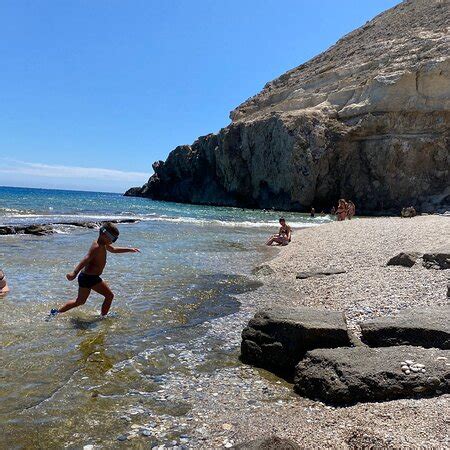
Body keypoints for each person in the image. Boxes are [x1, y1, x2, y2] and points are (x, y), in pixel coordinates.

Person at [50, 222, 140, 317]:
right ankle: (103, 316)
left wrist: (129, 249)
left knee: (80, 301)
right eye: (113, 239)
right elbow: (86, 259)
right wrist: (74, 273)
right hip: (90, 278)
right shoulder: (97, 247)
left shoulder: (103, 244)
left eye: (115, 239)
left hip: (85, 277)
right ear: (104, 235)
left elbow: (113, 250)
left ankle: (56, 312)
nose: (113, 241)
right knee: (109, 296)